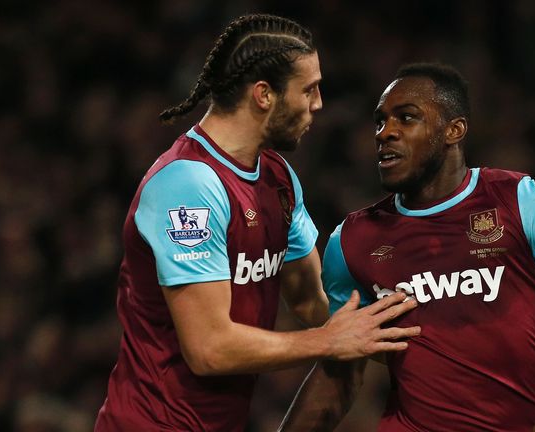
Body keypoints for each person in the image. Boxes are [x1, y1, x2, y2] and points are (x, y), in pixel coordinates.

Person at [94, 14, 420, 432]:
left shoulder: (278, 176)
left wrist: (400, 339)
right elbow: (209, 349)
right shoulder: (188, 184)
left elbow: (309, 301)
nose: (318, 104)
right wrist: (330, 341)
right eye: (309, 89)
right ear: (264, 95)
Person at [280, 63, 535, 432]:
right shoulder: (352, 241)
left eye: (406, 118)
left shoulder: (523, 203)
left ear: (454, 131)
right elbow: (340, 372)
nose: (385, 133)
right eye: (380, 121)